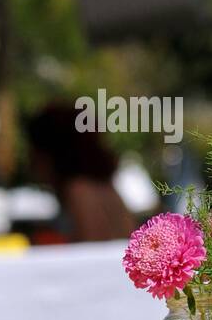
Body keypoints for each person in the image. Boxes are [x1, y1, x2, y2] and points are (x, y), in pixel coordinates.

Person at [24, 102, 136, 243]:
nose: (29, 159)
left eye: (34, 149)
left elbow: (91, 251)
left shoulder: (79, 191)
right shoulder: (105, 188)